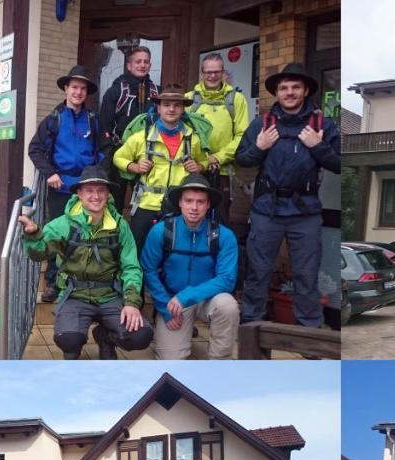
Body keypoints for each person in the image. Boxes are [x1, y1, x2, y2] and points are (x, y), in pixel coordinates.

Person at [235, 62, 341, 328]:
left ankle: (309, 335)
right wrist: (259, 148)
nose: (289, 92)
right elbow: (241, 161)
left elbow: (340, 164)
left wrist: (319, 148)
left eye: (295, 87)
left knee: (307, 275)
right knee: (257, 272)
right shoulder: (262, 123)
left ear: (305, 91)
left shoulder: (322, 125)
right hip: (266, 210)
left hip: (305, 212)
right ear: (277, 93)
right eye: (284, 88)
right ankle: (251, 328)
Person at [19, 166, 153, 360]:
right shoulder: (63, 224)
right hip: (76, 294)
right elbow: (39, 254)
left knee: (140, 336)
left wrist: (132, 302)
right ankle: (73, 353)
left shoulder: (120, 226)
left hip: (110, 294)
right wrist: (33, 236)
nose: (96, 196)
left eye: (101, 190)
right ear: (79, 194)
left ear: (108, 194)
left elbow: (131, 267)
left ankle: (105, 337)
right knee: (69, 339)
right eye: (89, 190)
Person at [140, 174, 239, 359]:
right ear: (180, 203)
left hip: (207, 299)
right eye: (189, 201)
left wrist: (187, 296)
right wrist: (164, 306)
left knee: (228, 305)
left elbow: (227, 279)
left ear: (208, 205)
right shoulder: (162, 231)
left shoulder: (224, 235)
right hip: (172, 301)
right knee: (170, 365)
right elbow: (148, 269)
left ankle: (220, 361)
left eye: (200, 202)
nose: (194, 207)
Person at [28, 66, 104, 303]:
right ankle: (53, 283)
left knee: (88, 235)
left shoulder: (93, 120)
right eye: (74, 87)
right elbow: (35, 149)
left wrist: (95, 173)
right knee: (57, 235)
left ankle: (82, 281)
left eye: (82, 88)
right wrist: (50, 173)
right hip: (60, 187)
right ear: (66, 88)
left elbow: (103, 150)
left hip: (87, 188)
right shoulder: (53, 119)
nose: (78, 92)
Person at [113, 83, 210, 256]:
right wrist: (134, 166)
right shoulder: (142, 137)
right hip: (146, 204)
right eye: (166, 104)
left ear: (183, 109)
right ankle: (138, 284)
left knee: (172, 253)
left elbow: (204, 161)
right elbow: (118, 157)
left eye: (177, 105)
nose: (171, 109)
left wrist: (199, 167)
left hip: (178, 204)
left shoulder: (192, 139)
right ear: (158, 108)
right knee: (138, 252)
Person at [186, 53, 251, 223]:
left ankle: (217, 250)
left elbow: (241, 136)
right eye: (208, 72)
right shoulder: (188, 99)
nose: (212, 76)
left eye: (217, 71)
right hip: (194, 169)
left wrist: (217, 157)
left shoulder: (236, 99)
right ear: (201, 73)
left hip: (221, 170)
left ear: (223, 73)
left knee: (220, 218)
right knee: (192, 216)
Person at [99, 44, 159, 212]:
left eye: (146, 62)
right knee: (114, 202)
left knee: (145, 203)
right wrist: (107, 158)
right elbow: (105, 125)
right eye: (138, 61)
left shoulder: (157, 93)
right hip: (120, 154)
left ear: (150, 65)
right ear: (129, 65)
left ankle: (140, 236)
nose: (142, 65)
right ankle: (114, 236)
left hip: (147, 156)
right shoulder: (116, 91)